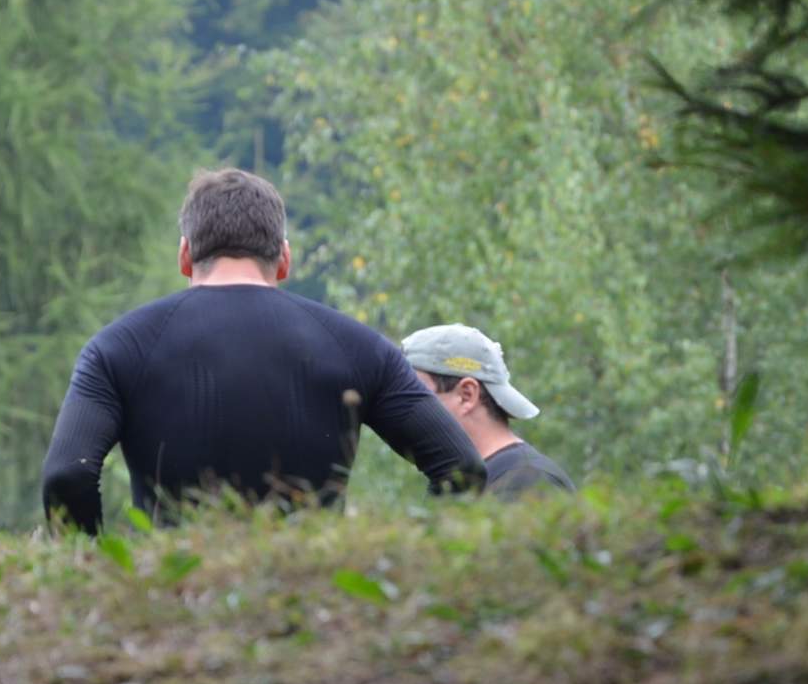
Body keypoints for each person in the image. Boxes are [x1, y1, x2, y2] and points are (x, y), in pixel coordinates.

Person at [41, 168, 485, 535]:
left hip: (172, 597)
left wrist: (91, 568)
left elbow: (67, 474)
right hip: (312, 597)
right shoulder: (357, 345)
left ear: (185, 256)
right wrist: (414, 563)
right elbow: (461, 466)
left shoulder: (119, 346)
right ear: (284, 259)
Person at [401, 323, 574, 499]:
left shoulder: (527, 483)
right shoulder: (465, 483)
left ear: (466, 395)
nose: (403, 405)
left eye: (415, 393)